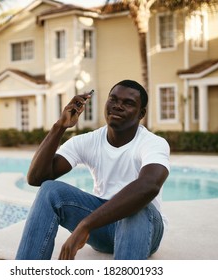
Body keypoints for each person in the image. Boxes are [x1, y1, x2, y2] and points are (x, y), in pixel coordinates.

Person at [15, 79, 170, 260]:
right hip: (103, 229)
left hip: (145, 228)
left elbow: (149, 186)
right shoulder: (89, 141)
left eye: (128, 103)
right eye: (113, 99)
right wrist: (60, 126)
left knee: (138, 207)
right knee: (50, 190)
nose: (118, 106)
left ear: (141, 113)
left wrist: (86, 225)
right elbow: (36, 178)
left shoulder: (153, 143)